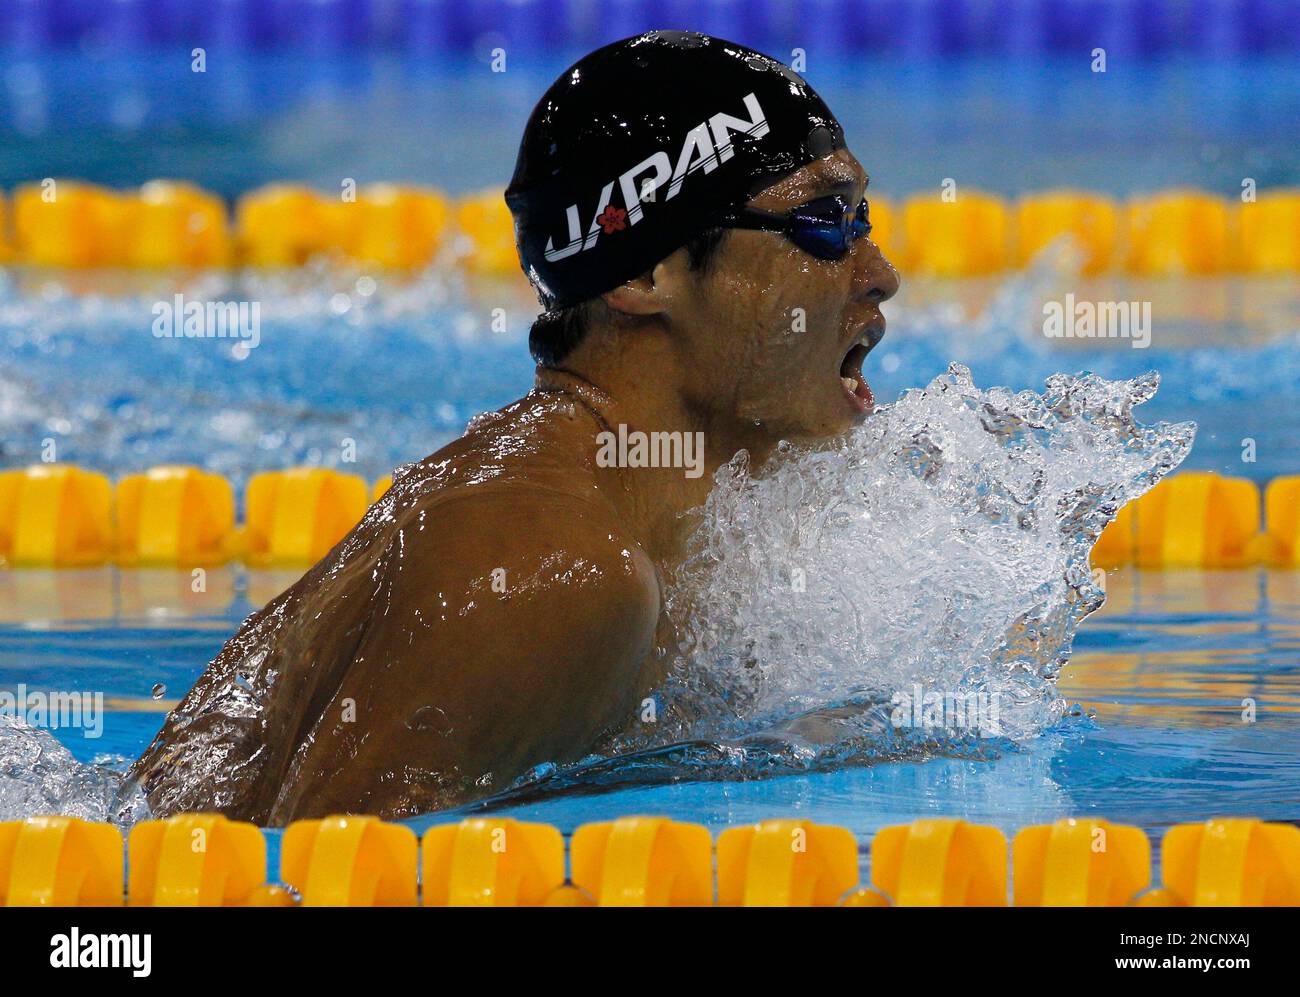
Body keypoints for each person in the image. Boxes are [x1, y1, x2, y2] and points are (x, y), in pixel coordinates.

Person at [130, 30, 899, 824]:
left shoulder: (638, 526)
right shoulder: (558, 568)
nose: (880, 272)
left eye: (863, 216)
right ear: (643, 273)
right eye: (823, 221)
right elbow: (325, 876)